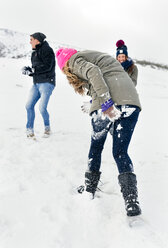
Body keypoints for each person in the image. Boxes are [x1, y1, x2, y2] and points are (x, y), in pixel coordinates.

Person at [56, 48, 142, 217]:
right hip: (131, 103)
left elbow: (94, 72)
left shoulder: (74, 60)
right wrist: (94, 101)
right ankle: (131, 201)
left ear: (64, 65)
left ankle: (89, 190)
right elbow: (108, 78)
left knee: (96, 146)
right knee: (120, 151)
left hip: (109, 104)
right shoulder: (97, 57)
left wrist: (105, 103)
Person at [22, 32, 55, 138]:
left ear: (37, 40)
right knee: (29, 106)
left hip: (47, 83)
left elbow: (47, 66)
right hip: (36, 84)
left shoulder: (47, 50)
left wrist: (34, 70)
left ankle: (47, 128)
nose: (30, 41)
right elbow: (37, 70)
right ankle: (29, 130)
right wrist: (29, 71)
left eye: (31, 39)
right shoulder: (34, 53)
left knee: (42, 108)